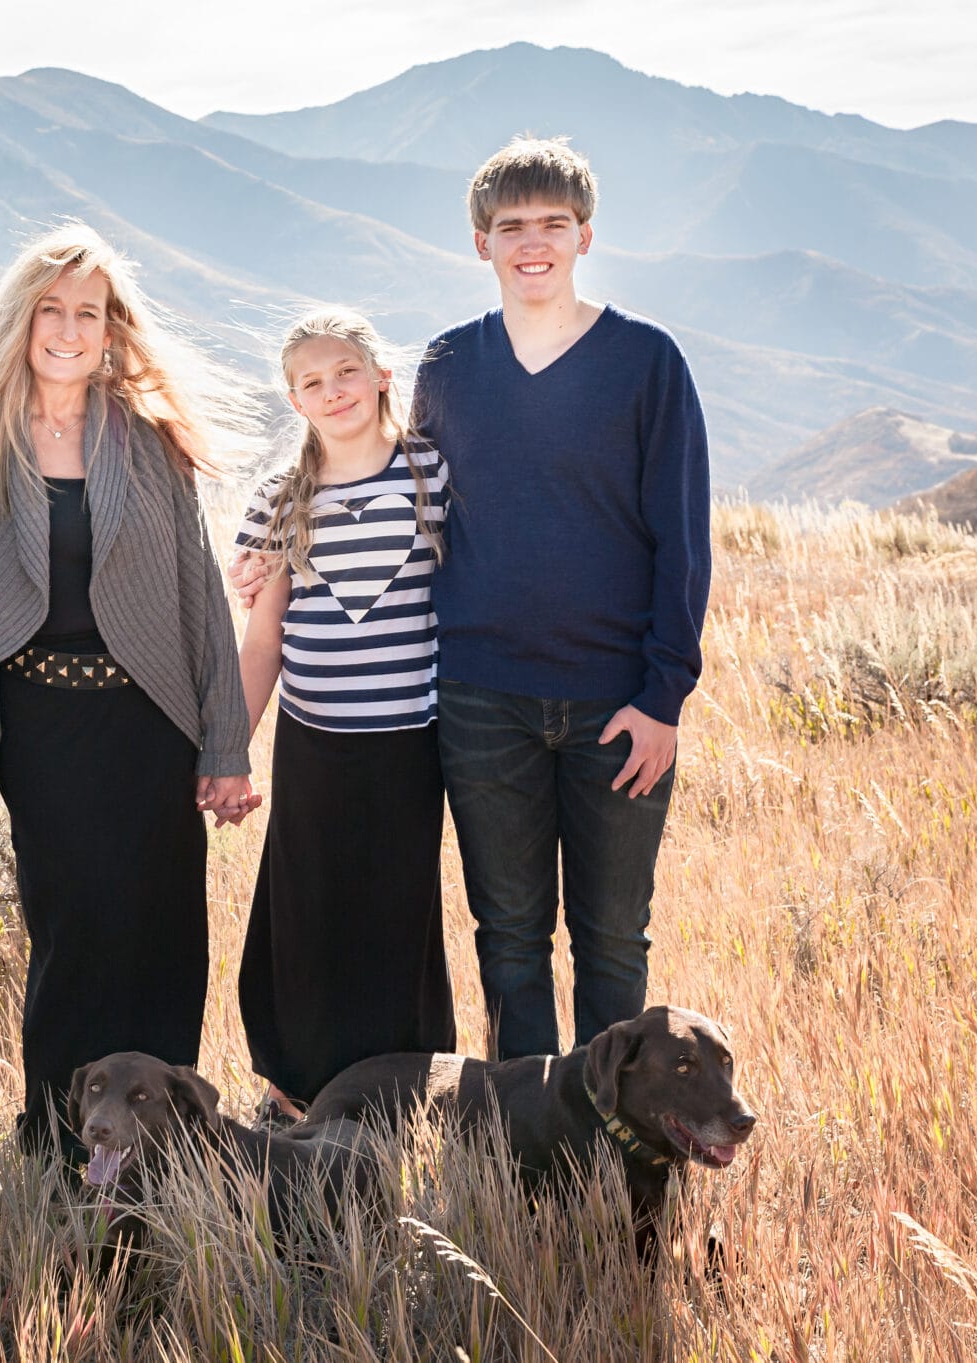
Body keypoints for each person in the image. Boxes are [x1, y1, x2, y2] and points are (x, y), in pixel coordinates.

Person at [232, 136, 710, 1062]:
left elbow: (682, 542)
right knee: (511, 938)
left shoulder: (647, 361)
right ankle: (527, 1131)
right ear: (481, 243)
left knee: (613, 938)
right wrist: (271, 551)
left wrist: (663, 698)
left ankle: (616, 1139)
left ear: (585, 236)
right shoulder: (451, 366)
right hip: (481, 701)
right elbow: (378, 472)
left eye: (553, 226)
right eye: (512, 227)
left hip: (618, 700)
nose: (534, 243)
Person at [0, 223, 257, 1164]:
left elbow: (200, 595)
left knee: (164, 934)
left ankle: (171, 1148)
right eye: (52, 308)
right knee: (73, 932)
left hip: (148, 722)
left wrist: (225, 743)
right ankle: (56, 1144)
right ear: (22, 318)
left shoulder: (145, 437)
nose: (70, 328)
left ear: (112, 329)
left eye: (90, 311)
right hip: (40, 728)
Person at [232, 308, 458, 1126]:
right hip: (314, 741)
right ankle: (297, 1091)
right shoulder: (281, 501)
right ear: (293, 400)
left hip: (411, 740)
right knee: (309, 905)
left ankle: (399, 1091)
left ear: (382, 375)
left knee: (397, 907)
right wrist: (231, 743)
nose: (334, 392)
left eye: (346, 373)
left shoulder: (433, 476)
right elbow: (263, 640)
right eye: (312, 382)